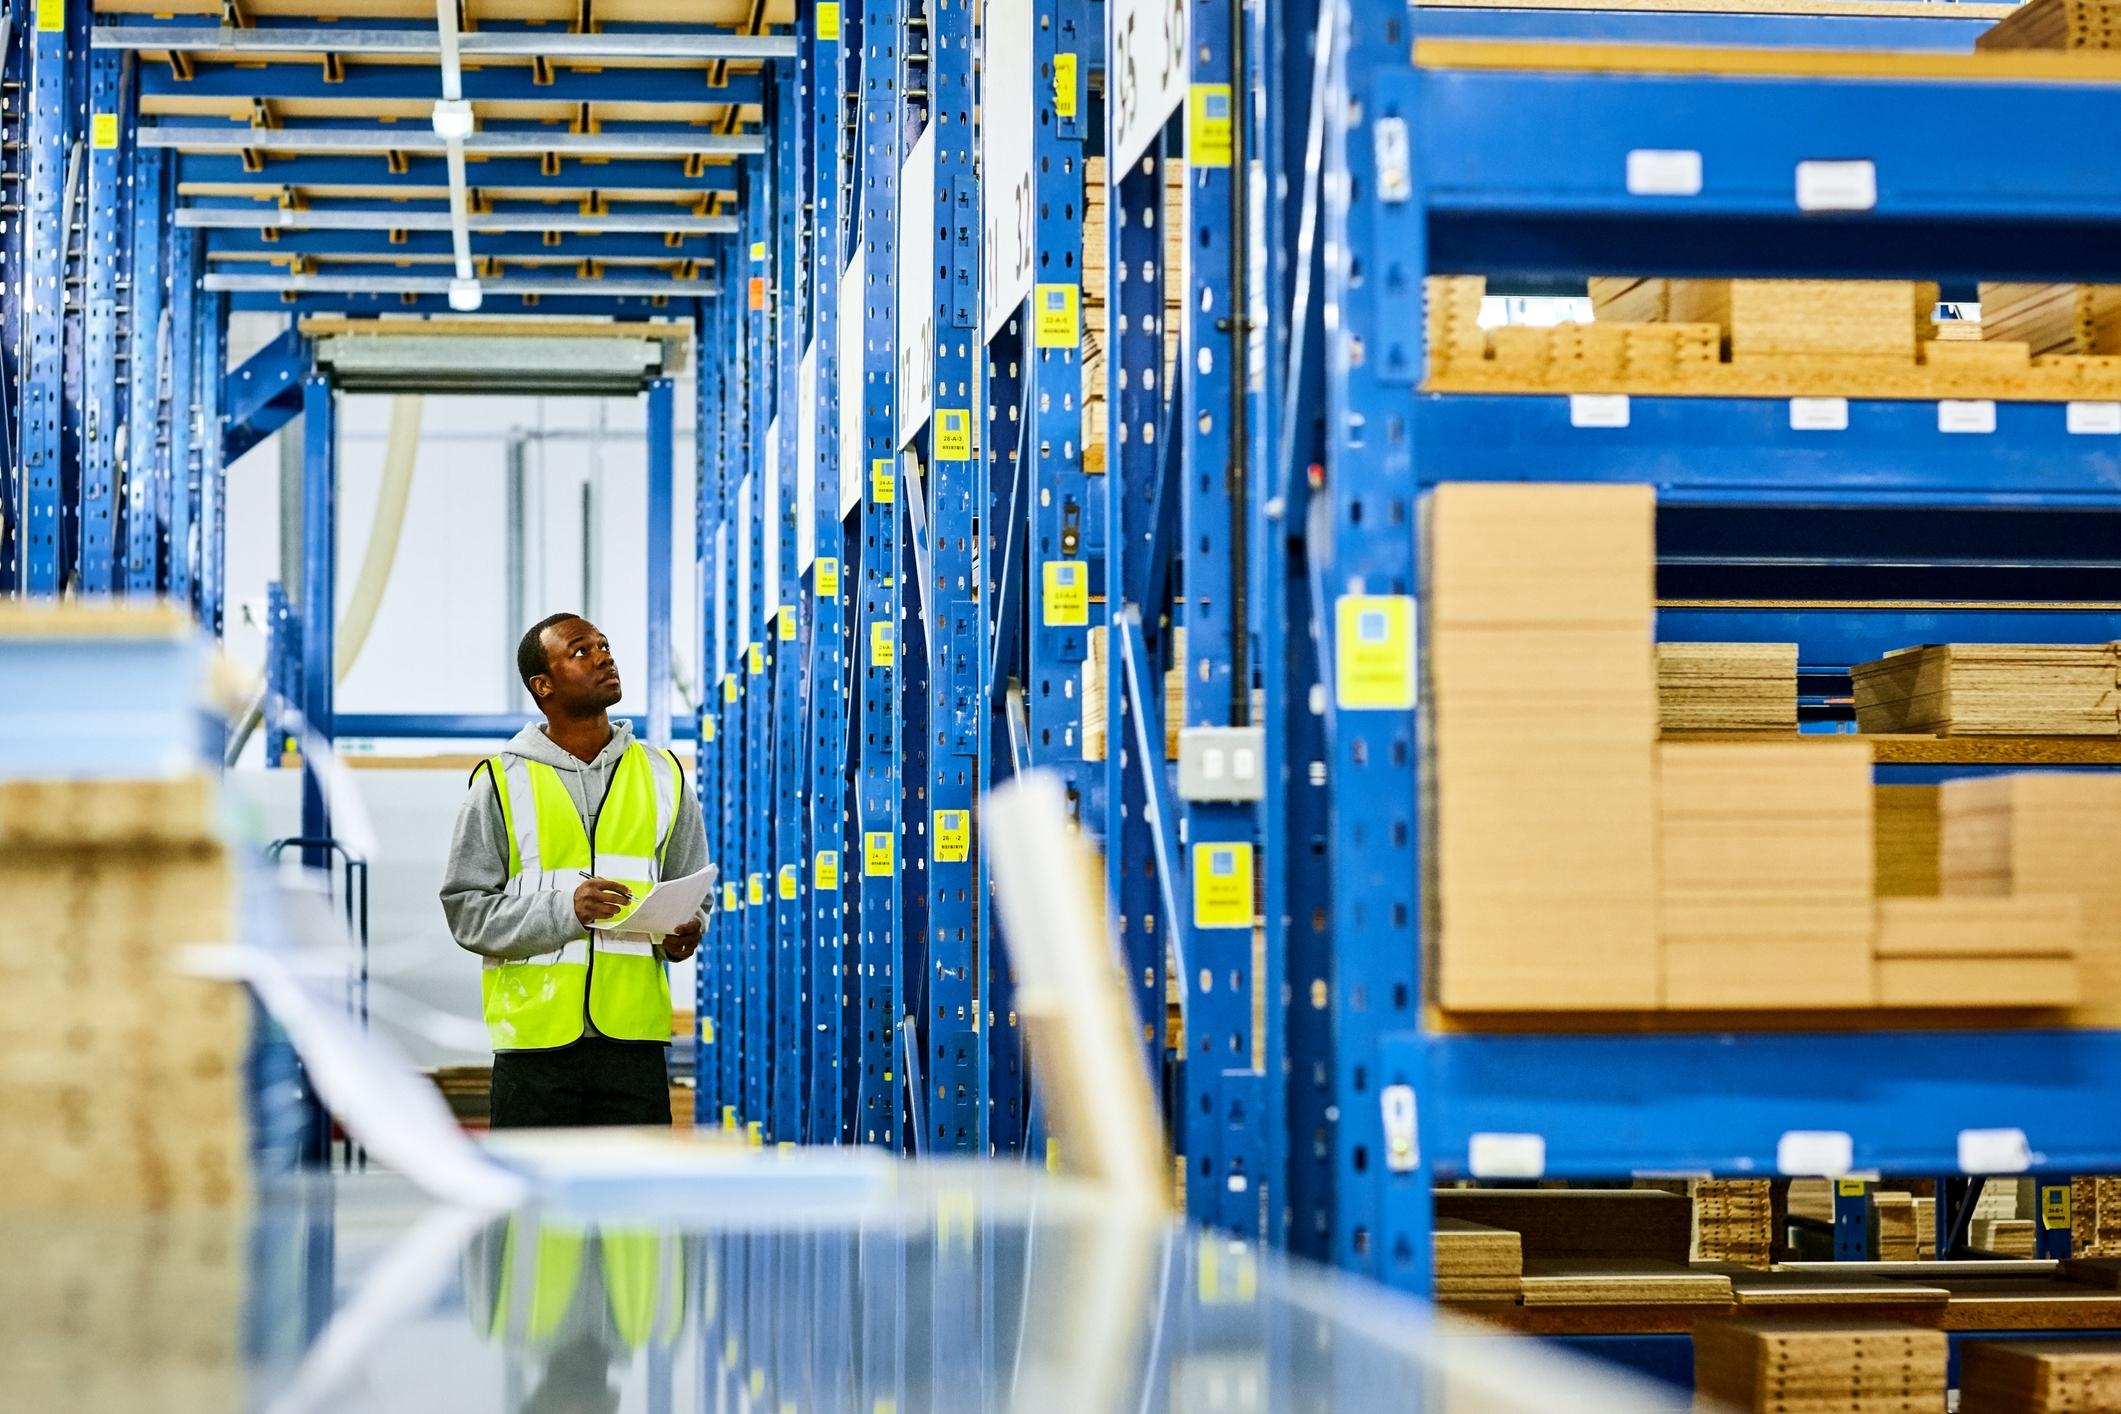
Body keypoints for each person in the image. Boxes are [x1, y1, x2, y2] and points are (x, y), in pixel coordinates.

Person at [441, 613, 711, 1128]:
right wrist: (566, 911)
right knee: (536, 1209)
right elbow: (466, 911)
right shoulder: (500, 782)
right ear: (543, 685)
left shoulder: (664, 776)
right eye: (581, 651)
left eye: (604, 645)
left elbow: (693, 891)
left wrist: (686, 931)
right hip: (535, 1048)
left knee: (637, 1208)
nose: (604, 656)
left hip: (633, 1046)